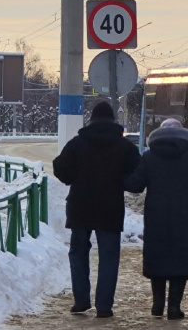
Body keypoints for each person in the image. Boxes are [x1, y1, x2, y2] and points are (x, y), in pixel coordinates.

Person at [53, 102, 140, 318]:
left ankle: (81, 301)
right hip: (110, 207)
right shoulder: (124, 147)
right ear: (113, 121)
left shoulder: (77, 144)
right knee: (109, 256)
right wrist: (120, 181)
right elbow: (136, 178)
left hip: (80, 207)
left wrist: (75, 177)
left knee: (78, 252)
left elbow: (60, 169)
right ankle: (104, 306)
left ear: (91, 120)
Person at [124, 118, 188, 320]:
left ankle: (157, 305)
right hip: (186, 217)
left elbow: (136, 184)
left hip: (157, 216)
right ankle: (174, 307)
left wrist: (117, 175)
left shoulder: (149, 156)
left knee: (158, 258)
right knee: (180, 261)